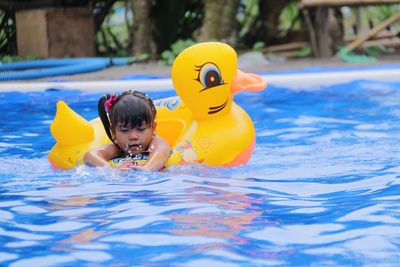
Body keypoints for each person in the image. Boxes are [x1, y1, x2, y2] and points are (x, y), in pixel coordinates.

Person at [83, 90, 171, 171]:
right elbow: (90, 155)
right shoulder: (117, 148)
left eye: (141, 129)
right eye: (125, 130)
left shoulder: (156, 142)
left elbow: (161, 152)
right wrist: (112, 171)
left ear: (153, 128)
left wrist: (147, 168)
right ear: (113, 132)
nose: (133, 136)